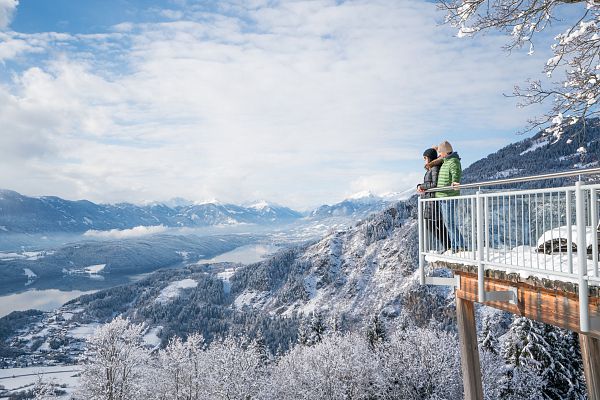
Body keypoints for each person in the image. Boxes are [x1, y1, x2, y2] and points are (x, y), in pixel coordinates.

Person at [432, 140, 465, 252]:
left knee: (450, 223)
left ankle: (461, 245)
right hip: (443, 196)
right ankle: (455, 246)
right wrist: (438, 149)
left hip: (449, 196)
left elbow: (456, 172)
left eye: (440, 152)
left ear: (445, 152)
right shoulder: (447, 160)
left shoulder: (453, 161)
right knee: (448, 223)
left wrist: (455, 182)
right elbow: (443, 152)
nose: (439, 155)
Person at [417, 148, 450, 251]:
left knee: (431, 225)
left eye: (425, 158)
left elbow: (434, 184)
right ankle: (448, 246)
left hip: (433, 200)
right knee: (438, 225)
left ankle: (448, 246)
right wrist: (421, 186)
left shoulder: (434, 168)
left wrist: (422, 186)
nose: (424, 160)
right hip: (430, 199)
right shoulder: (431, 168)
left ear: (429, 158)